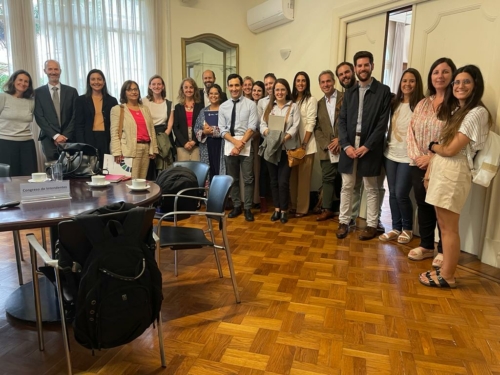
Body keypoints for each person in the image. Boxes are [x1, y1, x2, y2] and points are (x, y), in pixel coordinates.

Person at [420, 65, 491, 288]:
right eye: (457, 82)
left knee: (449, 227)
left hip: (454, 171)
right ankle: (444, 270)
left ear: (476, 85)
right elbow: (445, 148)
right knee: (443, 224)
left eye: (466, 82)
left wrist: (433, 145)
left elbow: (450, 150)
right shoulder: (456, 111)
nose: (460, 86)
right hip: (444, 169)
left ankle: (448, 275)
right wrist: (431, 168)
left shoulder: (477, 112)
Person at [336, 51, 391, 241]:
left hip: (370, 146)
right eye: (359, 66)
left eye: (366, 65)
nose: (362, 68)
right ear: (355, 69)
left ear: (372, 66)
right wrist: (345, 145)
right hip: (349, 145)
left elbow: (382, 123)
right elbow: (341, 121)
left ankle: (371, 225)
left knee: (371, 187)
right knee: (347, 186)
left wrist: (367, 146)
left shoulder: (383, 91)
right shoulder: (349, 93)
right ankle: (344, 221)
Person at [407, 57, 456, 267]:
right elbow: (411, 131)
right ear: (431, 77)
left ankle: (444, 250)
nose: (440, 76)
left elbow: (456, 138)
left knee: (442, 207)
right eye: (436, 72)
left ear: (452, 75)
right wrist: (418, 157)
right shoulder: (422, 103)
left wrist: (432, 158)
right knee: (423, 205)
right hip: (418, 164)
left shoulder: (456, 106)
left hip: (443, 164)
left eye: (445, 72)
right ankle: (427, 245)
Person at [379, 68, 424, 244]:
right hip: (391, 153)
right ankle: (395, 227)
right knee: (392, 194)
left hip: (408, 156)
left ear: (417, 83)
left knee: (401, 194)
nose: (407, 84)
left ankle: (407, 228)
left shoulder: (421, 105)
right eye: (404, 81)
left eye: (411, 81)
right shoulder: (394, 103)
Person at [259, 78, 300, 223]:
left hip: (286, 149)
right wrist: (268, 134)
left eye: (282, 89)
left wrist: (284, 138)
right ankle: (276, 209)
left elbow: (295, 126)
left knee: (283, 181)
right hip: (271, 149)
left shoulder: (293, 106)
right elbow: (262, 125)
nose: (280, 92)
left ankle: (284, 210)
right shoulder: (269, 107)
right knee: (273, 181)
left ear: (287, 91)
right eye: (277, 89)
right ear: (273, 91)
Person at [219, 73, 258, 222]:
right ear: (228, 87)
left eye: (237, 85)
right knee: (233, 179)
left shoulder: (251, 104)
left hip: (246, 144)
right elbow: (222, 129)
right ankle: (237, 206)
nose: (234, 88)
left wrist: (240, 143)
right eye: (231, 85)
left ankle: (247, 207)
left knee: (248, 178)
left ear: (242, 86)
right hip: (230, 144)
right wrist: (235, 144)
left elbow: (252, 126)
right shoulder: (223, 107)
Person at [110, 80, 158, 179]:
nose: (133, 92)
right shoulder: (118, 109)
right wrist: (116, 152)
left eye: (135, 89)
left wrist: (153, 149)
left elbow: (151, 130)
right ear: (124, 93)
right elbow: (114, 132)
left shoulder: (145, 109)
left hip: (145, 148)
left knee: (142, 181)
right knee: (130, 182)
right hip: (129, 149)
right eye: (130, 90)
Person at [314, 70, 344, 221]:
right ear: (319, 85)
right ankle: (327, 209)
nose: (326, 84)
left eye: (328, 81)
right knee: (327, 178)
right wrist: (327, 144)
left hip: (345, 146)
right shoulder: (318, 104)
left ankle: (345, 211)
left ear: (334, 81)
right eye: (322, 82)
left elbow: (351, 122)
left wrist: (340, 139)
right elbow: (316, 127)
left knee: (345, 179)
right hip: (327, 149)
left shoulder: (345, 98)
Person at [34, 59, 78, 161]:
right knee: (52, 170)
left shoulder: (71, 91)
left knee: (72, 169)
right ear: (45, 71)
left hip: (69, 138)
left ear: (60, 71)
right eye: (50, 69)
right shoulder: (38, 93)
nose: (53, 72)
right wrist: (55, 136)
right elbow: (39, 117)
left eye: (56, 69)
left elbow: (76, 115)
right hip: (49, 139)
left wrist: (65, 136)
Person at [74, 69, 118, 166]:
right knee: (90, 169)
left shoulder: (112, 101)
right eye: (93, 79)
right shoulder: (81, 100)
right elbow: (78, 125)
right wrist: (81, 145)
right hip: (88, 138)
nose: (96, 82)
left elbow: (116, 124)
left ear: (104, 81)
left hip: (106, 139)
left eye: (99, 79)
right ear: (89, 82)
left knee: (106, 168)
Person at [289, 71, 317, 218]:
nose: (300, 83)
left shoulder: (311, 100)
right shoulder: (291, 101)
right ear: (294, 83)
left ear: (307, 83)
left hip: (306, 146)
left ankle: (302, 208)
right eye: (298, 80)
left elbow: (311, 123)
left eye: (303, 81)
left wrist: (304, 144)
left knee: (304, 180)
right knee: (293, 179)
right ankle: (293, 205)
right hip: (292, 145)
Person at [0, 70, 38, 176]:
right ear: (13, 81)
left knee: (29, 177)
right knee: (8, 179)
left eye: (26, 81)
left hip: (27, 143)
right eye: (20, 80)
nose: (23, 83)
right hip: (5, 143)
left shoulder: (31, 101)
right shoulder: (3, 97)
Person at [142, 74, 175, 173]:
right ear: (149, 86)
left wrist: (163, 138)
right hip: (148, 136)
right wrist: (153, 139)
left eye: (159, 84)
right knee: (150, 168)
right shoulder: (143, 102)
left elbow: (170, 123)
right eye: (154, 84)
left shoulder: (169, 103)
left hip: (165, 136)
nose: (156, 86)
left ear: (163, 86)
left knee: (165, 169)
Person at [194, 84, 225, 181]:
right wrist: (204, 131)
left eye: (216, 93)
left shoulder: (224, 110)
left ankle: (221, 194)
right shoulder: (203, 111)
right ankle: (210, 195)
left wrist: (212, 131)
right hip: (207, 146)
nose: (213, 96)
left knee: (220, 171)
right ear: (208, 95)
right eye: (211, 93)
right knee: (209, 172)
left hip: (221, 145)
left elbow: (228, 128)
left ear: (220, 95)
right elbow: (196, 128)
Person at [173, 78, 204, 161]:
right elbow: (175, 127)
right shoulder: (177, 107)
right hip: (182, 145)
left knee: (196, 171)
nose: (188, 90)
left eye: (191, 87)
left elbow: (202, 126)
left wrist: (194, 141)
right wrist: (184, 143)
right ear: (182, 89)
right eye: (186, 87)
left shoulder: (200, 107)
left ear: (194, 89)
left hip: (196, 144)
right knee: (183, 171)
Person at [252, 80, 268, 212]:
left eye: (259, 90)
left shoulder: (265, 104)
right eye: (254, 90)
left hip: (261, 139)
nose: (256, 93)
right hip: (249, 139)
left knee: (260, 170)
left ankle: (260, 199)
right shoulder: (248, 104)